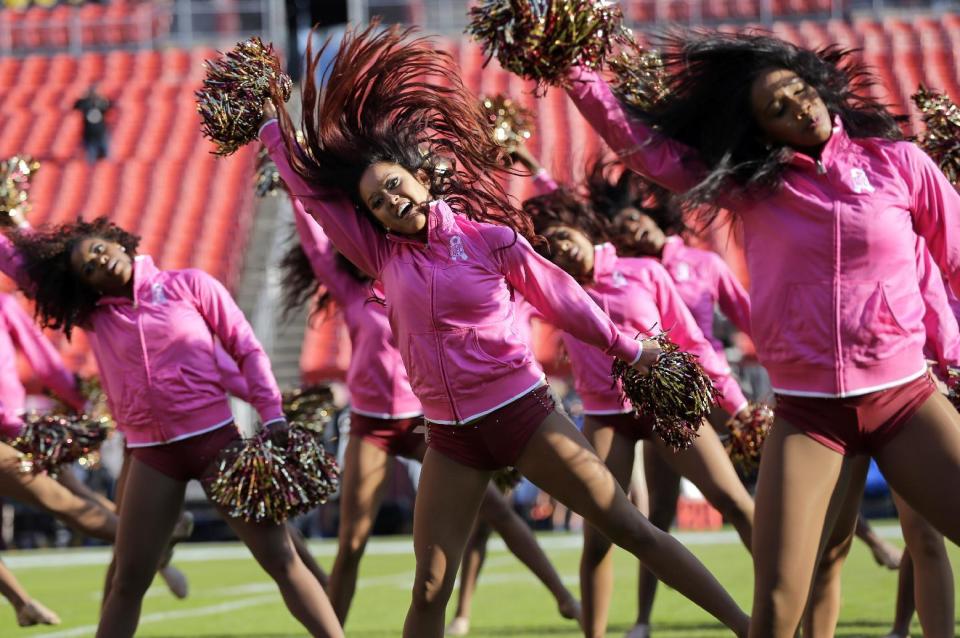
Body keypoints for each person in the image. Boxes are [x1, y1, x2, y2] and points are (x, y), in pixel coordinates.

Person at [259, 23, 749, 638]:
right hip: (450, 438)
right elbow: (314, 199)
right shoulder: (380, 255)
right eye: (378, 204)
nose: (391, 205)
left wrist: (630, 349)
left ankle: (748, 625)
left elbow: (563, 298)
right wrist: (273, 130)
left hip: (522, 413)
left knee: (628, 529)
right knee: (430, 586)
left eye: (394, 188)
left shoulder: (489, 240)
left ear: (421, 177)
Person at [557, 31, 960, 637]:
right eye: (777, 110)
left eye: (798, 92)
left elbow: (955, 259)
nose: (798, 109)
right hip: (810, 417)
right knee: (776, 605)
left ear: (818, 85)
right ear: (763, 131)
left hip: (904, 398)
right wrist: (577, 73)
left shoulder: (899, 164)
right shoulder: (752, 186)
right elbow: (644, 150)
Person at [0, 218, 343, 638]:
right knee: (127, 583)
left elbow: (246, 349)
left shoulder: (190, 285)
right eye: (88, 267)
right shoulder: (95, 317)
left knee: (282, 561)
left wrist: (271, 413)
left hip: (218, 444)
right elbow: (23, 268)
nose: (99, 261)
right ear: (83, 284)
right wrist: (14, 225)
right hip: (152, 457)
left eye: (99, 249)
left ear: (118, 242)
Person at [279, 194, 579, 629]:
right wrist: (296, 192)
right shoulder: (350, 291)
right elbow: (317, 243)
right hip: (372, 425)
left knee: (496, 510)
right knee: (352, 541)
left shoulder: (411, 277)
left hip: (426, 421)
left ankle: (564, 596)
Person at [524, 187, 755, 638]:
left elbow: (692, 341)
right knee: (598, 539)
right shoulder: (555, 293)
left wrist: (738, 405)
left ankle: (778, 613)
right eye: (549, 247)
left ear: (584, 228)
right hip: (606, 418)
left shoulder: (644, 271)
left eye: (563, 235)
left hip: (666, 405)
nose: (563, 248)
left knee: (736, 502)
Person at [73, 86, 111, 164]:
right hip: (89, 134)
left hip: (101, 133)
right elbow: (76, 106)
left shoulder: (100, 103)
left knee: (106, 157)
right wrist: (85, 97)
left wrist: (100, 98)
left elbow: (109, 105)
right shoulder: (86, 103)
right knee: (91, 157)